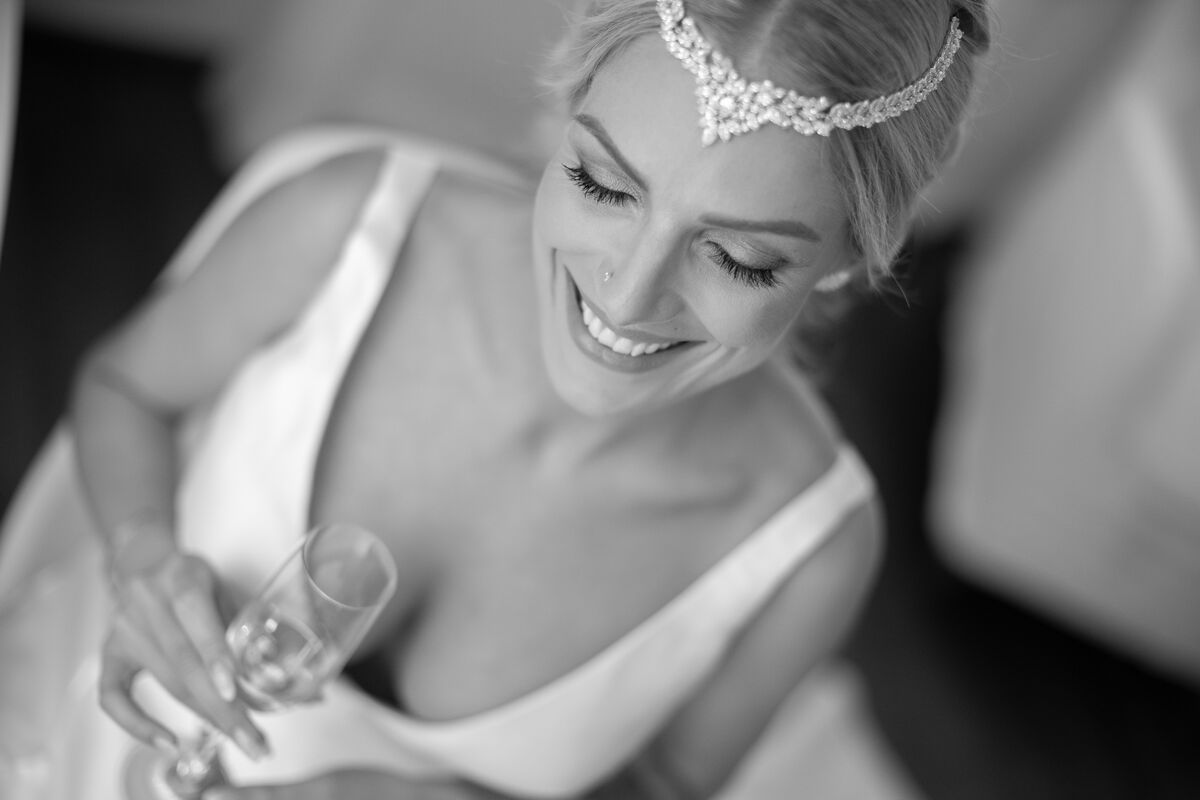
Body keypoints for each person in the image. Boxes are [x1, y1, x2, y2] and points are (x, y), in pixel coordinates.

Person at [0, 1, 989, 797]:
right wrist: (141, 554)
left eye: (736, 256)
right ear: (567, 115)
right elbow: (122, 386)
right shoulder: (347, 225)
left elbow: (667, 784)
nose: (625, 295)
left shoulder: (811, 551)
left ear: (847, 261)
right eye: (604, 184)